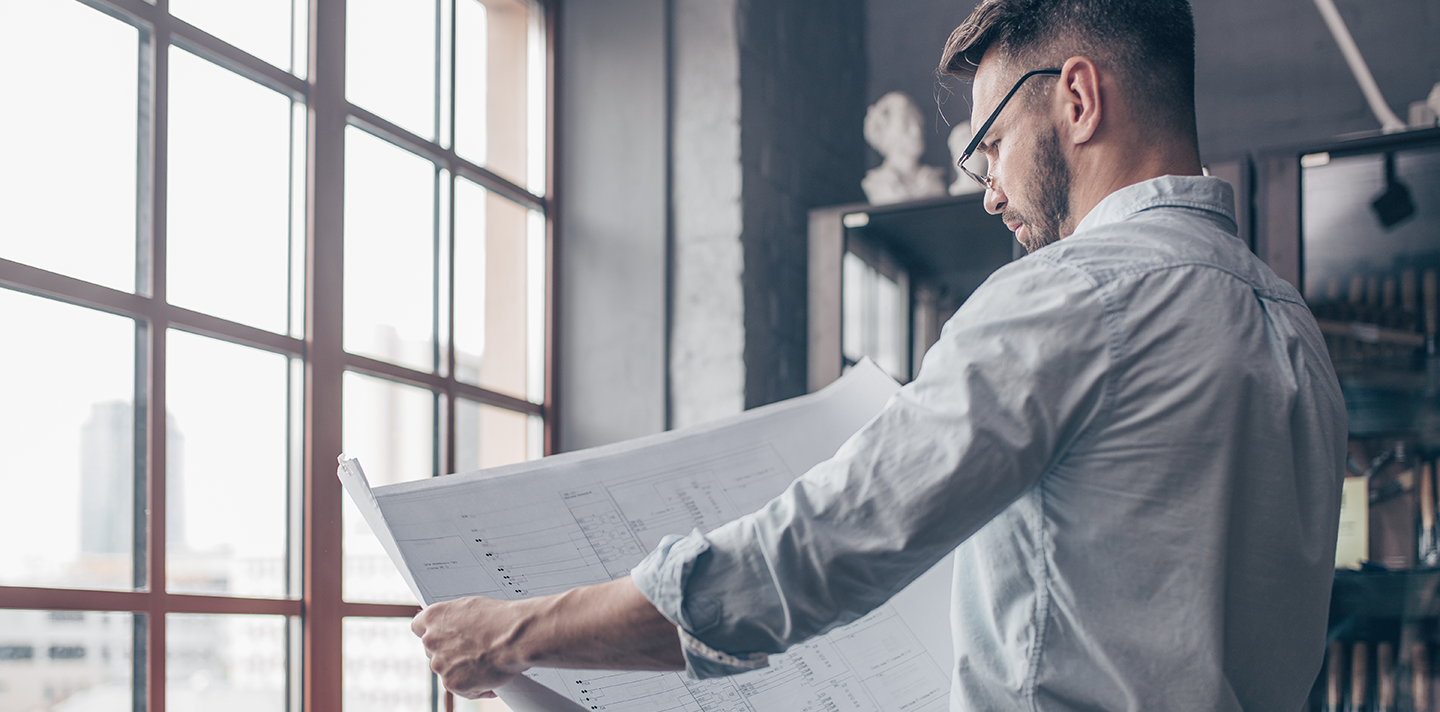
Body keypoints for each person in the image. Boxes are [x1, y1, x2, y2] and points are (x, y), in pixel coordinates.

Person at [412, 0, 1348, 709]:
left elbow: (807, 556)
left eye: (990, 145)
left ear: (1076, 97)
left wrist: (512, 632)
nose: (990, 192)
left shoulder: (1067, 298)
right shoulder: (1293, 329)